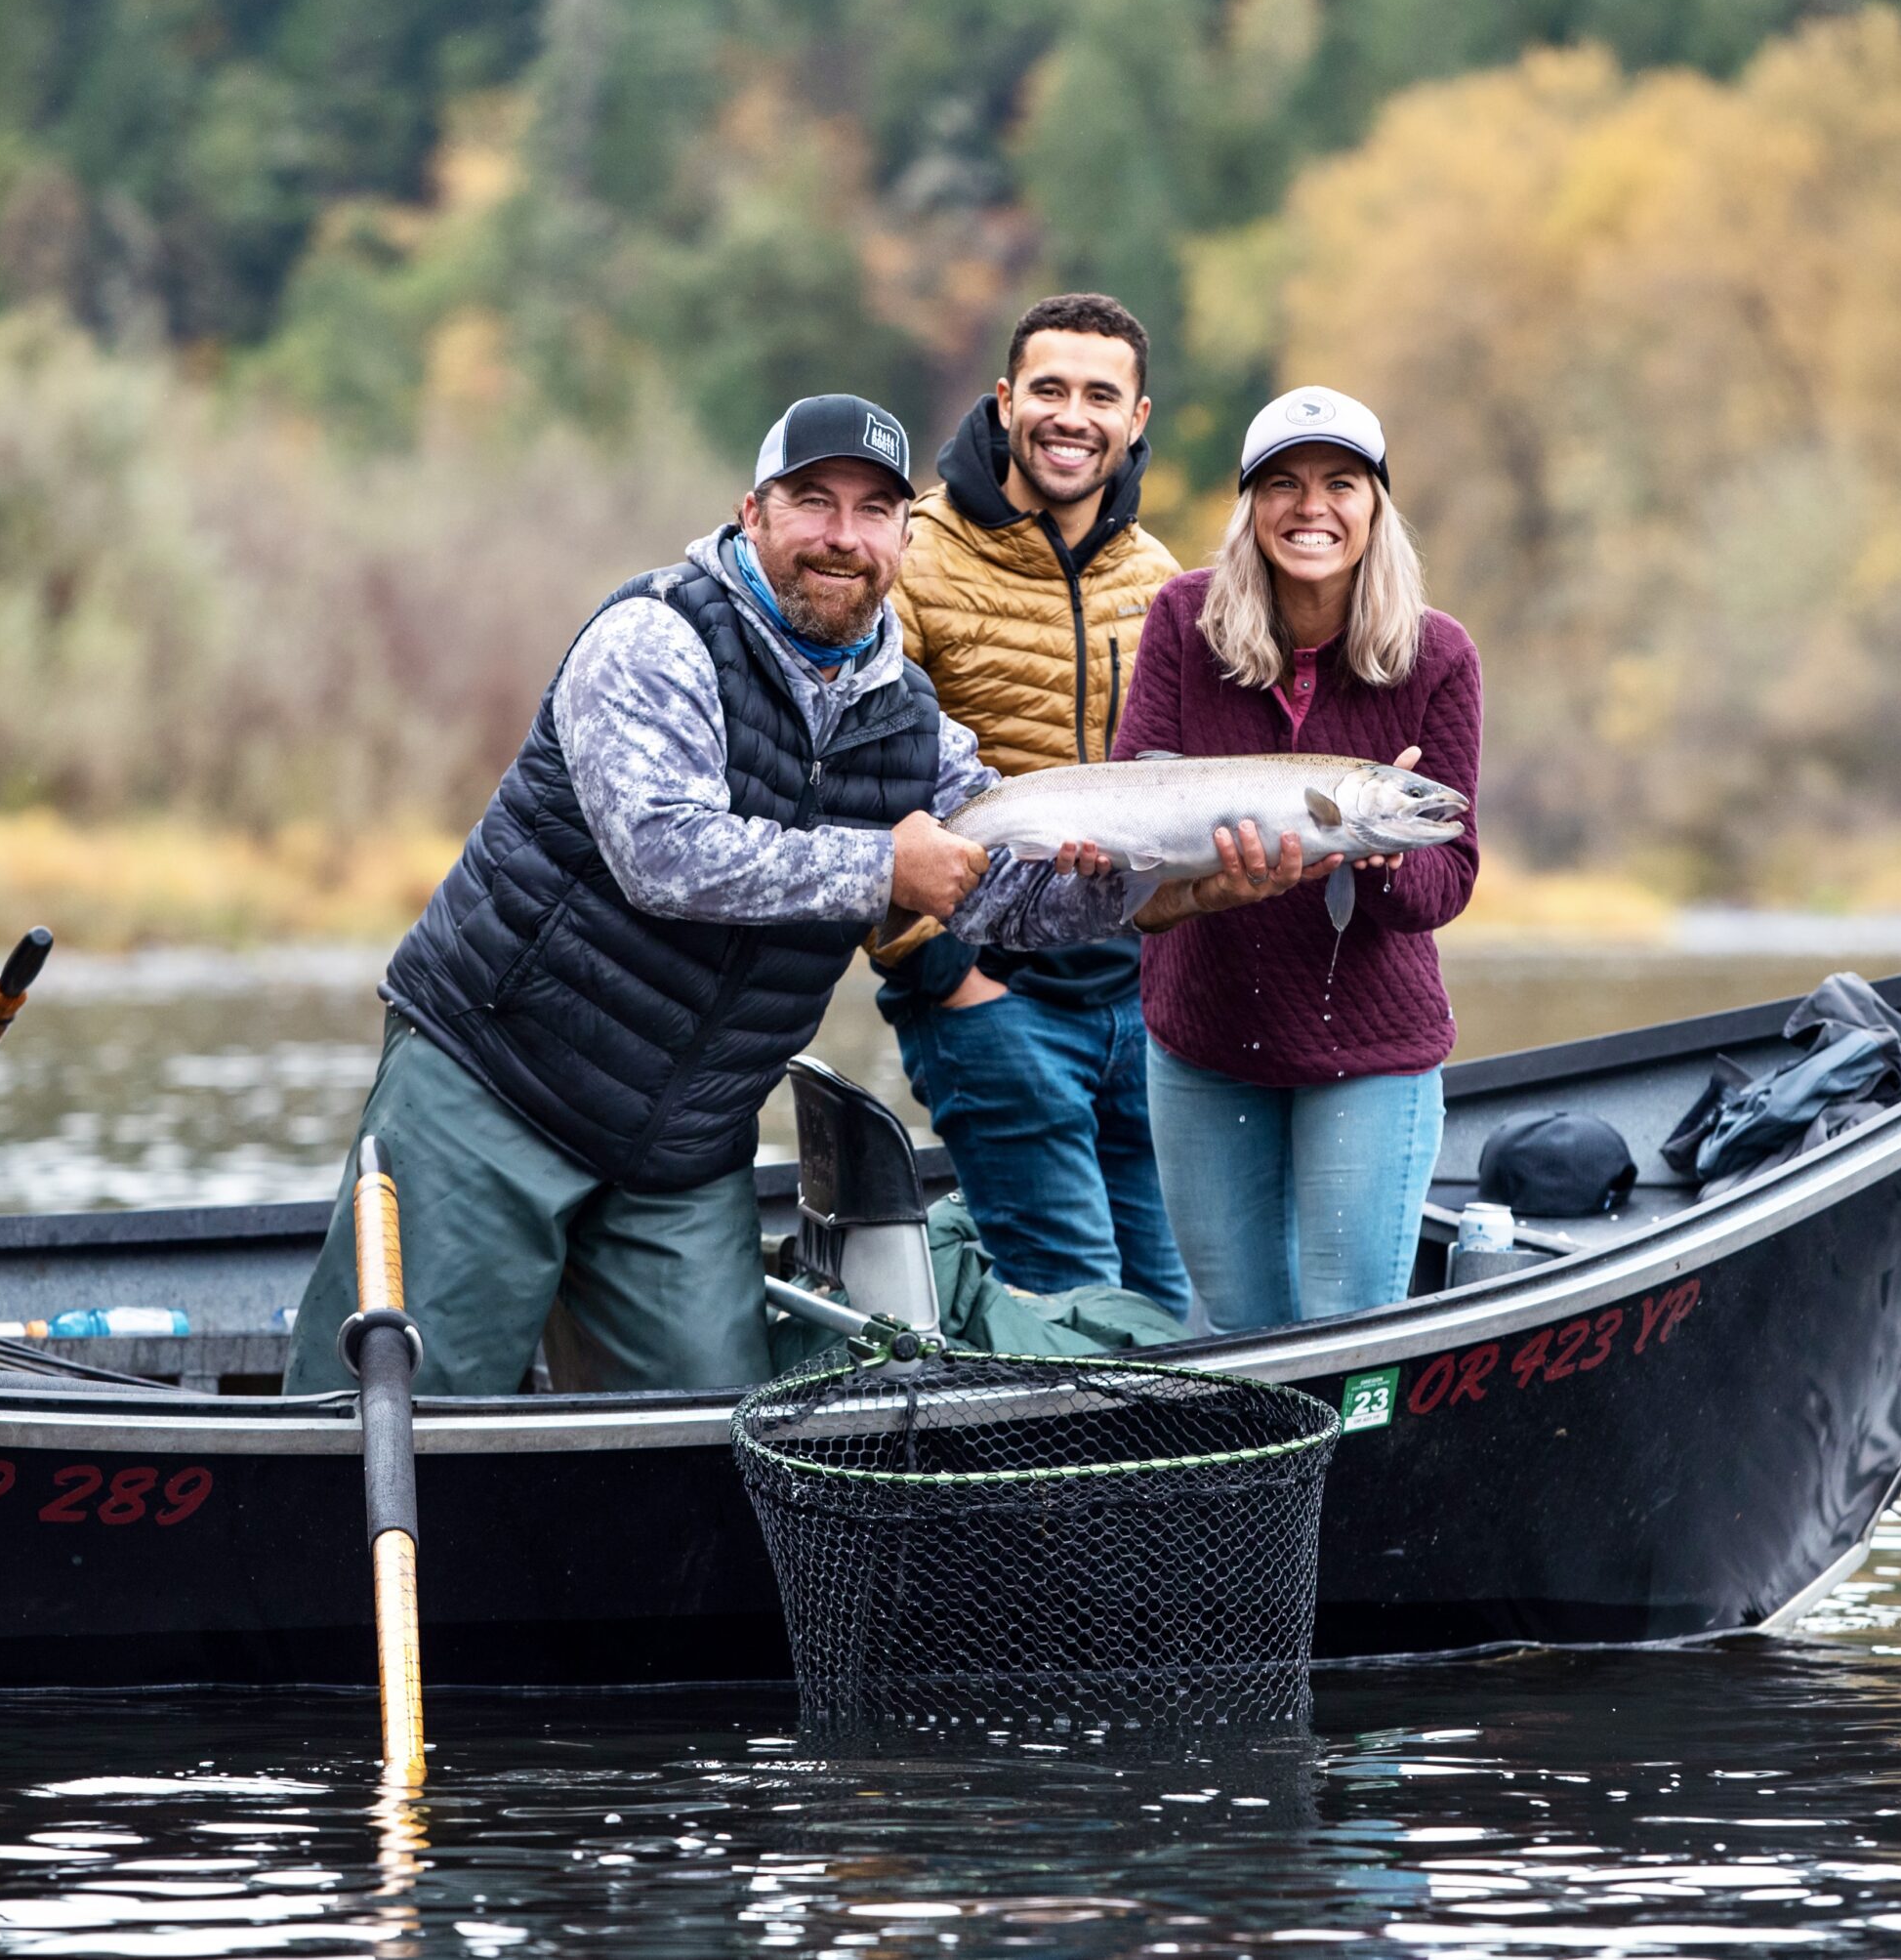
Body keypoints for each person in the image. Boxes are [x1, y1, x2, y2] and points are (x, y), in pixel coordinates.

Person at [281, 395, 1132, 1397]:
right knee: (391, 1416)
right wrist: (880, 868)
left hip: (680, 1146)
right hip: (495, 1085)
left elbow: (998, 906)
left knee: (709, 1448)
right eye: (813, 501)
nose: (840, 536)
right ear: (753, 512)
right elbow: (665, 855)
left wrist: (1132, 883)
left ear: (904, 536)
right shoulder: (657, 635)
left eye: (871, 511)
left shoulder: (910, 718)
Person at [1113, 387, 1481, 1328]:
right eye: (1281, 482)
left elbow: (1450, 877)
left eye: (1339, 483)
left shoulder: (1439, 656)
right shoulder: (1183, 623)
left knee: (1348, 1334)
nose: (1310, 505)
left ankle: (1348, 1484)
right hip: (1203, 1039)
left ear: (1375, 507)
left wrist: (1378, 849)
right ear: (1248, 507)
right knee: (1239, 1341)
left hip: (1371, 1048)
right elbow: (1134, 846)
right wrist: (1207, 886)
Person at [875, 294, 1192, 1314]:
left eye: (1101, 395)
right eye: (1049, 389)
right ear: (1006, 399)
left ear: (1137, 418)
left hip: (1143, 1001)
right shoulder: (911, 557)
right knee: (1078, 1312)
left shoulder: (1159, 579)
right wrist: (944, 972)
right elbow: (851, 782)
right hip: (994, 998)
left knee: (1168, 1304)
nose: (1072, 415)